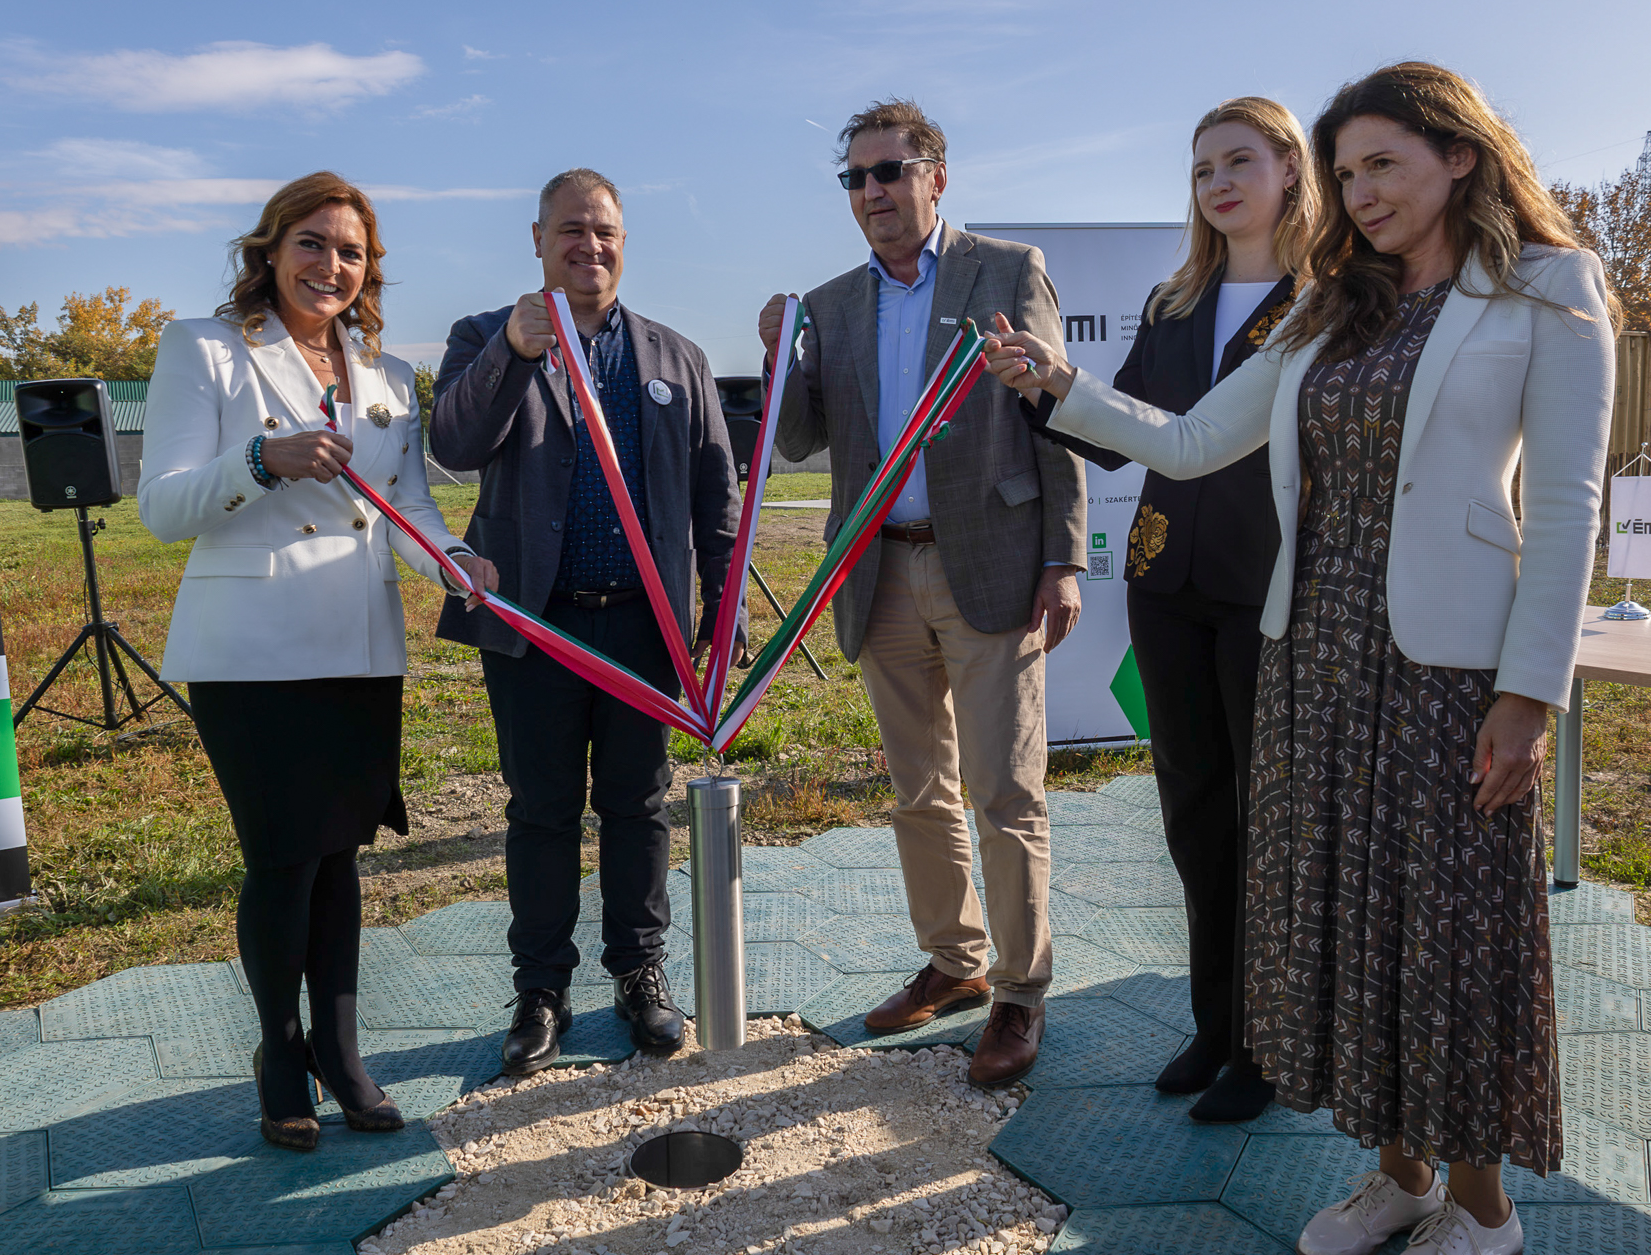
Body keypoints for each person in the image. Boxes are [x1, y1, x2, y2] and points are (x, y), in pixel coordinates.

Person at [985, 61, 1616, 1255]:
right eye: (1344, 173)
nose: (1360, 193)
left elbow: (1567, 505)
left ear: (1459, 156)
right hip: (1313, 652)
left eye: (1382, 164)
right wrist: (1058, 384)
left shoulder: (1547, 285)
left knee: (1448, 937)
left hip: (1448, 672)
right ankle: (1399, 1179)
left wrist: (1528, 694)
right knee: (1347, 924)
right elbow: (1189, 441)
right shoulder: (1333, 303)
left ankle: (1483, 1210)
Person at [141, 172, 498, 1151]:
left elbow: (406, 508)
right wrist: (263, 460)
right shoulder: (204, 348)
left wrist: (454, 559)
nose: (329, 265)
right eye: (311, 242)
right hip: (250, 654)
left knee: (339, 854)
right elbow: (162, 506)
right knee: (283, 859)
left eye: (350, 251)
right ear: (270, 249)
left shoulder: (386, 375)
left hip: (357, 647)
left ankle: (342, 1055)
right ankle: (280, 1053)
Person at [759, 98, 1087, 1087]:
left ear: (935, 177)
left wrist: (1064, 558)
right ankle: (954, 961)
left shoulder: (1007, 270)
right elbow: (799, 439)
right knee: (918, 790)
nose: (872, 192)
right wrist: (783, 358)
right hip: (878, 570)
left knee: (1005, 791)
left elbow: (1054, 410)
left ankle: (1021, 991)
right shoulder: (832, 303)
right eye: (855, 178)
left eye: (889, 171)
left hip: (988, 564)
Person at [1018, 97, 1315, 1123]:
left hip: (1269, 587)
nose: (1217, 183)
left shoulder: (1325, 302)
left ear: (1290, 168)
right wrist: (1038, 388)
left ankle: (1269, 1045)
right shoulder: (1175, 301)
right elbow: (1120, 434)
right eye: (1201, 170)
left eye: (1238, 161)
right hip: (1165, 585)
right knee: (1192, 812)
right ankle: (1215, 1025)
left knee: (1266, 819)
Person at [430, 168, 739, 1074]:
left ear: (623, 242)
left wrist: (723, 610)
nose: (588, 246)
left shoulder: (675, 356)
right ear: (537, 240)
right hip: (537, 629)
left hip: (645, 628)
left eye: (603, 231)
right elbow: (452, 442)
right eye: (570, 230)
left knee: (639, 804)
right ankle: (542, 988)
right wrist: (512, 353)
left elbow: (716, 494)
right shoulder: (485, 336)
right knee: (542, 809)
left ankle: (639, 971)